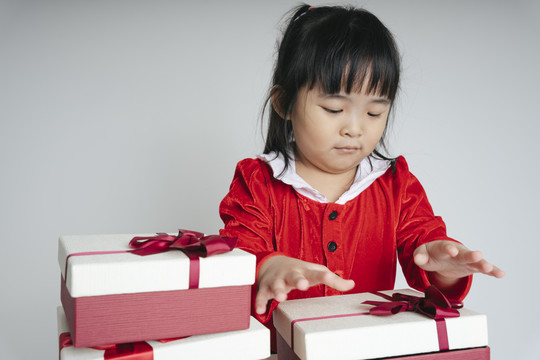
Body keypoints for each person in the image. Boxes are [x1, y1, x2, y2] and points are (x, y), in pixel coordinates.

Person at [219, 3, 504, 348]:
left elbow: (422, 249)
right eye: (334, 109)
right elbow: (243, 251)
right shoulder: (258, 182)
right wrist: (268, 267)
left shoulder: (395, 184)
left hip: (367, 350)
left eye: (374, 111)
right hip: (279, 351)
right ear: (284, 104)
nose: (354, 129)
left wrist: (443, 266)